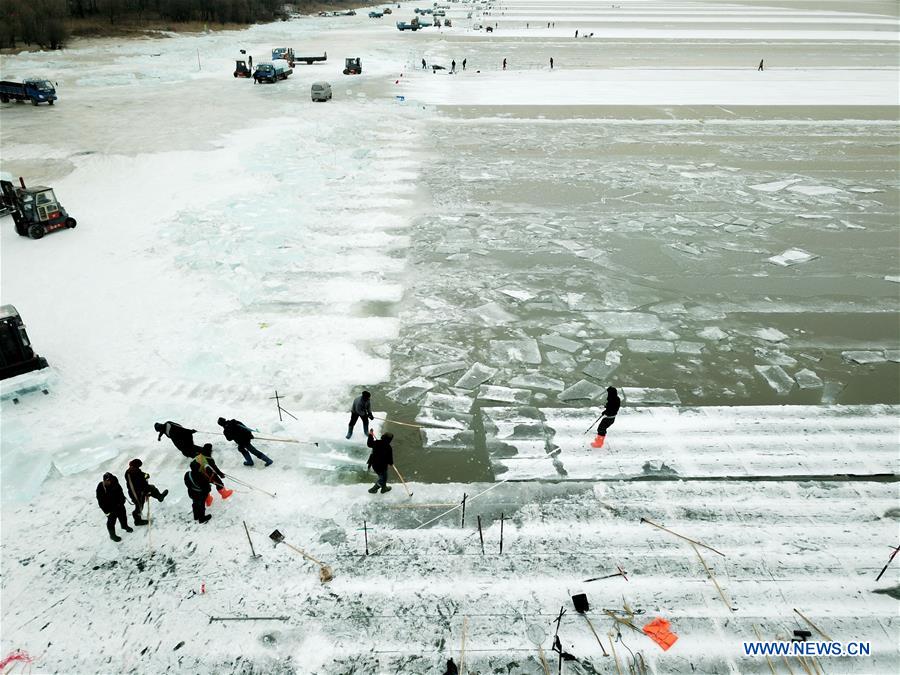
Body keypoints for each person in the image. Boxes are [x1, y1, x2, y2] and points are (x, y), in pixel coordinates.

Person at [125, 459, 168, 526]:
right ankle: (137, 521)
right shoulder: (131, 473)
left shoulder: (135, 470)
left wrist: (145, 475)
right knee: (139, 506)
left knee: (152, 488)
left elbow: (141, 475)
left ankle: (160, 497)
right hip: (136, 494)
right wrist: (145, 492)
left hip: (142, 490)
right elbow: (137, 485)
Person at [96, 473, 133, 542]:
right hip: (110, 508)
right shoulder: (101, 487)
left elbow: (120, 492)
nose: (108, 482)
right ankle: (112, 535)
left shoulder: (115, 482)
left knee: (123, 516)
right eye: (106, 481)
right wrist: (106, 511)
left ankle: (124, 526)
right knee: (111, 522)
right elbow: (100, 500)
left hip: (119, 505)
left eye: (109, 480)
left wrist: (122, 501)